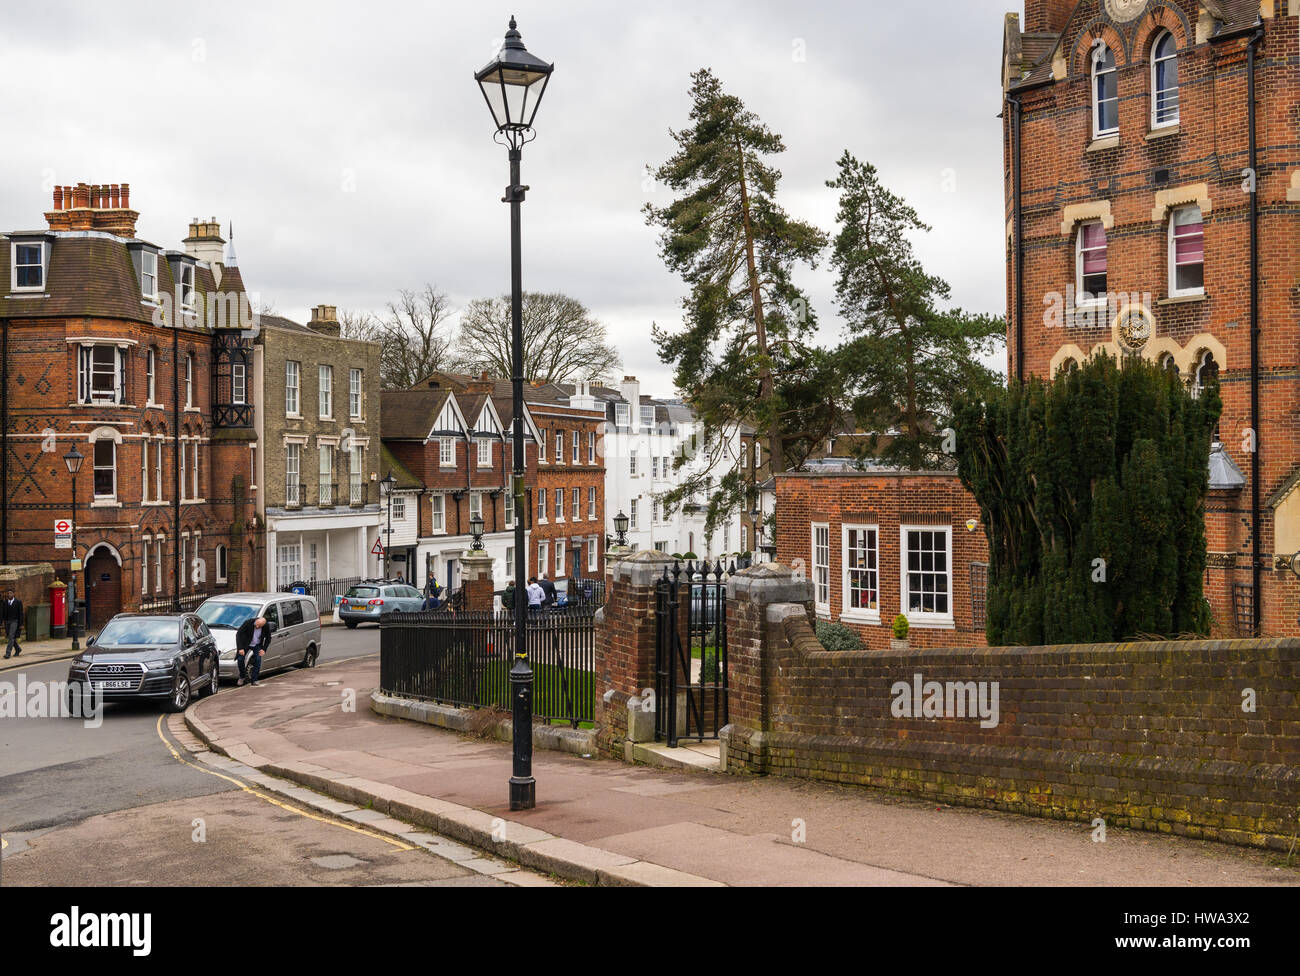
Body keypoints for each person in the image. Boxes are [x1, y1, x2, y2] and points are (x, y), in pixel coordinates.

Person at [235, 614, 275, 686]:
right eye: (256, 625)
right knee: (240, 659)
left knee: (258, 660)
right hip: (246, 643)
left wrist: (263, 649)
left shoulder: (266, 626)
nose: (257, 627)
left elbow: (268, 638)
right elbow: (239, 634)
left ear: (263, 624)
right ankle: (242, 676)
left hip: (257, 644)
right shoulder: (248, 622)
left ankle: (254, 679)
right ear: (256, 620)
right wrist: (240, 648)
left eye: (259, 626)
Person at [3, 587, 23, 659]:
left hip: (15, 621)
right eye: (8, 593)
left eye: (10, 593)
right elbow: (3, 613)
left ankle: (8, 653)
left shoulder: (18, 602)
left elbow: (21, 613)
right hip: (7, 622)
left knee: (11, 637)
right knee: (10, 637)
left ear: (14, 594)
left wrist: (21, 624)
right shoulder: (5, 602)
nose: (9, 594)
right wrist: (2, 622)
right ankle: (18, 649)